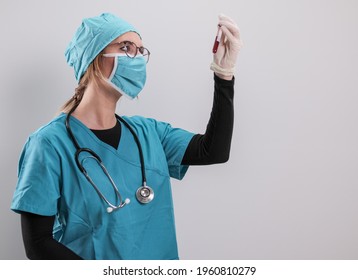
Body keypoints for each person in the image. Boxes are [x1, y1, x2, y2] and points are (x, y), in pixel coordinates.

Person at [11, 12, 241, 260]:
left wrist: (223, 74)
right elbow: (38, 244)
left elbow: (214, 151)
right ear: (94, 58)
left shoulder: (149, 133)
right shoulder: (49, 144)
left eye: (141, 51)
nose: (137, 59)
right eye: (126, 47)